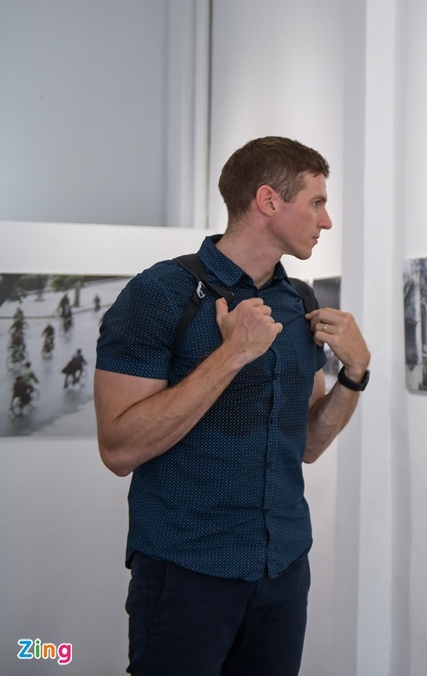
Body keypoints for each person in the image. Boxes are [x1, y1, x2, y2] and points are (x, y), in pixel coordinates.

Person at [94, 136, 370, 675]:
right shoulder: (160, 294)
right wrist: (232, 355)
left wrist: (355, 376)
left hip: (283, 568)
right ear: (268, 201)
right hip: (186, 568)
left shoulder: (300, 303)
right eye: (316, 202)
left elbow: (309, 445)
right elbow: (119, 448)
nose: (327, 220)